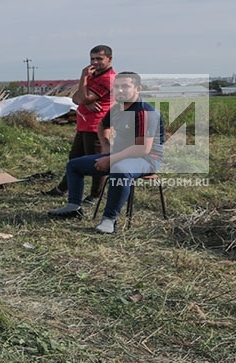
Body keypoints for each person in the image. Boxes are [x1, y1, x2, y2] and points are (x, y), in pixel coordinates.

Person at [48, 71, 163, 234]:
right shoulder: (118, 108)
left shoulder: (144, 112)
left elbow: (142, 148)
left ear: (138, 89)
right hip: (120, 155)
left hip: (146, 159)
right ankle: (73, 207)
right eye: (117, 87)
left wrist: (111, 159)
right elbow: (102, 126)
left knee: (120, 170)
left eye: (125, 86)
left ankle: (109, 220)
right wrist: (106, 146)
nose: (120, 90)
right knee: (74, 165)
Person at [44, 45, 116, 202]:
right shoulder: (94, 75)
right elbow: (75, 98)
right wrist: (85, 100)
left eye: (99, 59)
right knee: (74, 159)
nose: (94, 62)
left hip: (97, 126)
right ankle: (62, 188)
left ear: (109, 59)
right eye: (92, 59)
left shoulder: (107, 79)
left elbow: (82, 98)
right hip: (84, 124)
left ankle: (96, 195)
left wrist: (83, 79)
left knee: (98, 161)